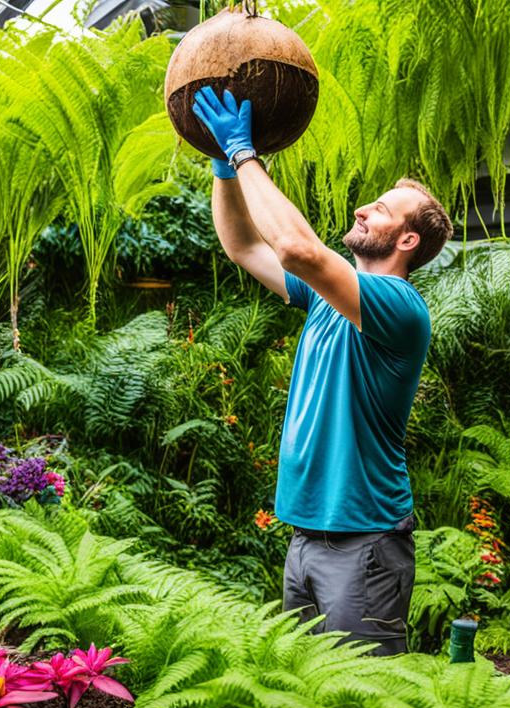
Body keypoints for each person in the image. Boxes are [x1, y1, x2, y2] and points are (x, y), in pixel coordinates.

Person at [193, 86, 452, 655]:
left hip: (365, 546)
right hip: (306, 537)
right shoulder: (322, 301)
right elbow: (242, 244)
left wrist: (243, 152)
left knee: (363, 707)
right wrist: (224, 170)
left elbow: (296, 249)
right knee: (311, 700)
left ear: (407, 240)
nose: (362, 209)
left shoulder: (399, 307)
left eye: (380, 210)